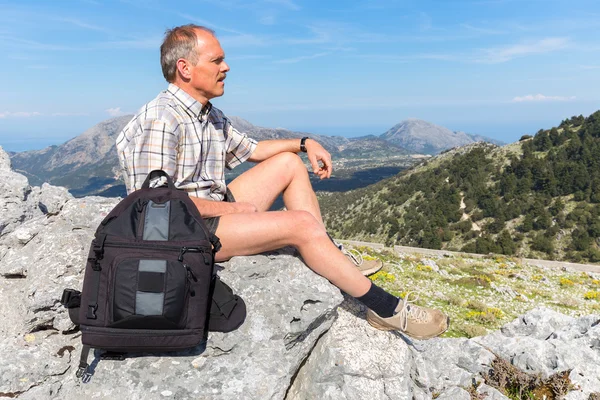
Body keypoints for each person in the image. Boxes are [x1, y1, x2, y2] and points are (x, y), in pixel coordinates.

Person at [116, 24, 449, 340]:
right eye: (217, 60)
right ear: (185, 68)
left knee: (288, 164)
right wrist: (231, 210)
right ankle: (386, 309)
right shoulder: (162, 119)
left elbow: (254, 149)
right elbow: (154, 204)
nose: (227, 67)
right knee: (302, 225)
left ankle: (329, 252)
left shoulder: (207, 114)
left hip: (210, 211)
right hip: (182, 233)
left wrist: (303, 144)